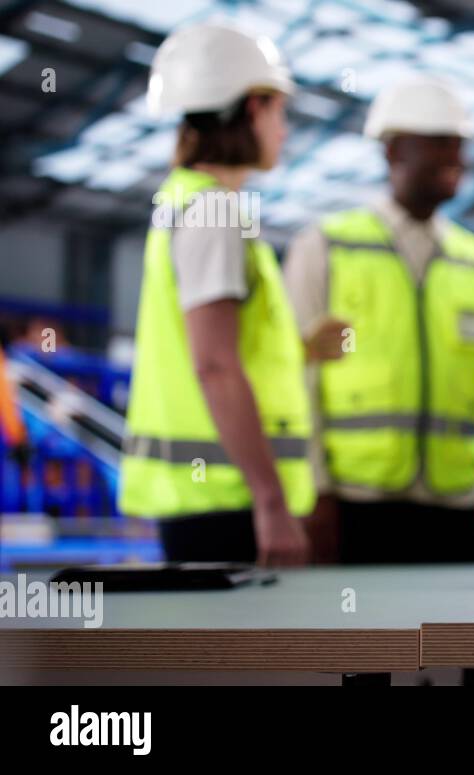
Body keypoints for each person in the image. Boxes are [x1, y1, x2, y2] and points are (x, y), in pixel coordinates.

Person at [283, 77, 474, 565]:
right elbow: (296, 375)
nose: (455, 156)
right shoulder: (328, 246)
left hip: (453, 508)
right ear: (393, 152)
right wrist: (314, 491)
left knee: (451, 642)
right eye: (438, 142)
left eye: (458, 143)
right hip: (352, 506)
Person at [118, 23, 313, 566]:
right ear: (254, 108)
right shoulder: (213, 210)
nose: (284, 129)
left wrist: (303, 351)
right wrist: (271, 502)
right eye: (281, 111)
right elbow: (214, 364)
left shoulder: (188, 202)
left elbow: (217, 349)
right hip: (226, 507)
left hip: (211, 501)